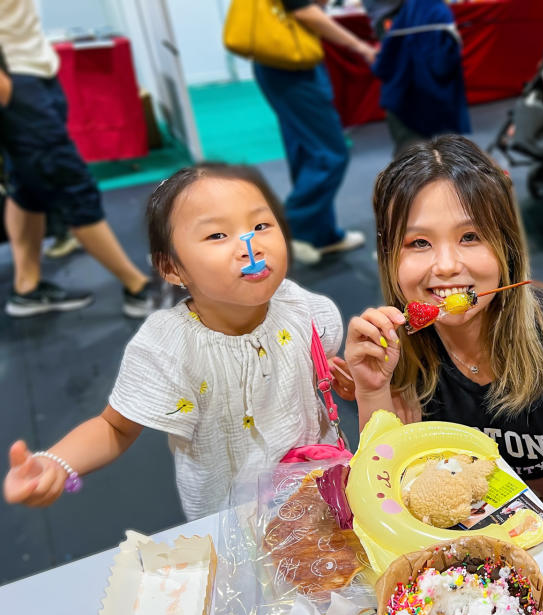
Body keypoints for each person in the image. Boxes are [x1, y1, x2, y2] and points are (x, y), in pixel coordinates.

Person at [3, 163, 344, 520]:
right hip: (230, 522)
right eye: (216, 235)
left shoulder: (299, 306)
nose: (250, 247)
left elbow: (321, 364)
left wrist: (343, 377)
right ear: (172, 268)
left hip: (318, 494)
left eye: (260, 226)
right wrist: (57, 462)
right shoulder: (168, 345)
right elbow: (114, 426)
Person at [341, 136, 543, 520]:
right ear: (389, 258)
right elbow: (384, 490)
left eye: (470, 237)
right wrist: (372, 390)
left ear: (506, 247)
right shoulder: (392, 348)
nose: (447, 265)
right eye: (419, 242)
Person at [0, 2, 152, 318]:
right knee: (70, 183)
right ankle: (138, 288)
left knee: (27, 188)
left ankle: (27, 288)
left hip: (34, 69)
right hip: (15, 81)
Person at [252, 0, 378, 266]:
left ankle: (321, 234)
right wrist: (359, 46)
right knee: (330, 153)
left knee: (306, 149)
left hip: (287, 59)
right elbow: (304, 10)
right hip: (291, 63)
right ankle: (293, 227)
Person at [371, 0, 470, 156]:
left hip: (409, 98)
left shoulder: (412, 16)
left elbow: (383, 65)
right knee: (422, 153)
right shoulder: (433, 13)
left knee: (416, 153)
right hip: (425, 97)